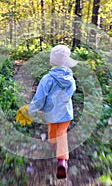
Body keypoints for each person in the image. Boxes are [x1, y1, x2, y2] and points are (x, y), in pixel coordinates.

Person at [28, 44, 78, 179]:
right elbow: (72, 91)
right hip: (66, 112)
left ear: (52, 61)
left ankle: (53, 147)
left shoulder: (47, 79)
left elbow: (39, 98)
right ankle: (61, 158)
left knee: (52, 128)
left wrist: (31, 111)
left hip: (50, 112)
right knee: (62, 132)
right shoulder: (70, 78)